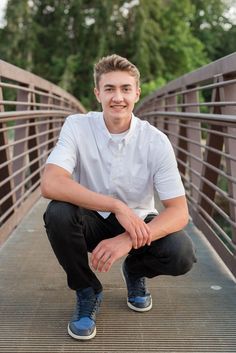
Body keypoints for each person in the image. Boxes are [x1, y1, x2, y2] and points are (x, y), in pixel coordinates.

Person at [41, 54, 196, 341]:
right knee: (58, 212)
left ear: (137, 93)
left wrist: (128, 238)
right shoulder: (77, 126)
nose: (118, 97)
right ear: (97, 93)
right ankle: (87, 290)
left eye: (126, 89)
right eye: (109, 89)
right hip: (92, 218)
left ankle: (135, 269)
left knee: (181, 254)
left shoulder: (155, 141)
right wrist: (115, 206)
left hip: (138, 221)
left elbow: (179, 212)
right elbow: (50, 182)